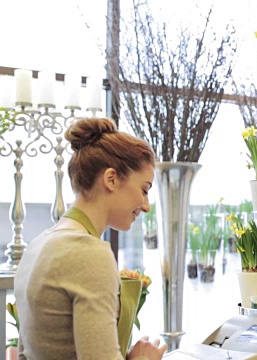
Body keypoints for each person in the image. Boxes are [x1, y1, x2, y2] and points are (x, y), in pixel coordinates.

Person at [15, 118, 167, 359]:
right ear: (111, 179)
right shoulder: (88, 252)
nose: (146, 206)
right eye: (144, 189)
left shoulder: (38, 245)